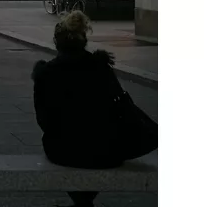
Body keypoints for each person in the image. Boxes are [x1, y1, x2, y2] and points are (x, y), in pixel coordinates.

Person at [32, 11, 157, 207]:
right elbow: (121, 106)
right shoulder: (100, 66)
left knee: (67, 150)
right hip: (105, 149)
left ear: (57, 42)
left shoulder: (46, 72)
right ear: (84, 40)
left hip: (62, 149)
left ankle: (81, 202)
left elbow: (43, 119)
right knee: (97, 151)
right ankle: (85, 201)